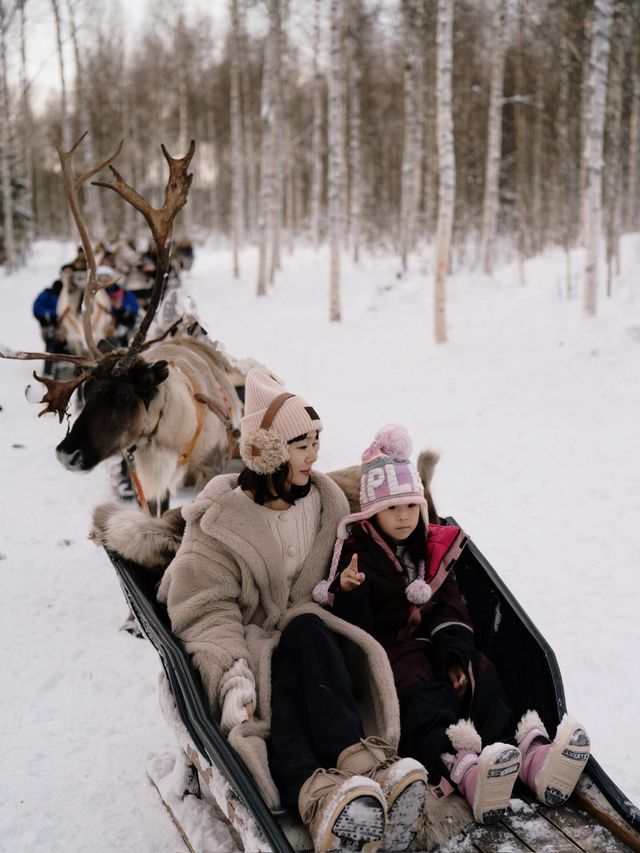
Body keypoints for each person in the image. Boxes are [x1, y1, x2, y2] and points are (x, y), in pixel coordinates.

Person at [156, 370, 428, 853]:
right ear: (268, 452)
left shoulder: (323, 500)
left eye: (317, 441)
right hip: (252, 645)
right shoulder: (221, 520)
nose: (315, 455)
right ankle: (318, 794)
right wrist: (231, 673)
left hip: (318, 636)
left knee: (306, 634)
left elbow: (366, 530)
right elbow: (205, 608)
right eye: (303, 444)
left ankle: (360, 769)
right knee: (282, 685)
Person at [313, 424, 591, 826]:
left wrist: (455, 652)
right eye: (393, 509)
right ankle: (464, 769)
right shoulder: (357, 553)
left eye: (411, 506)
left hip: (433, 645)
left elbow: (451, 602)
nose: (404, 517)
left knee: (482, 674)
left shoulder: (430, 551)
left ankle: (528, 756)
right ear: (372, 513)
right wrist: (349, 589)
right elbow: (355, 632)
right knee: (422, 699)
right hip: (390, 654)